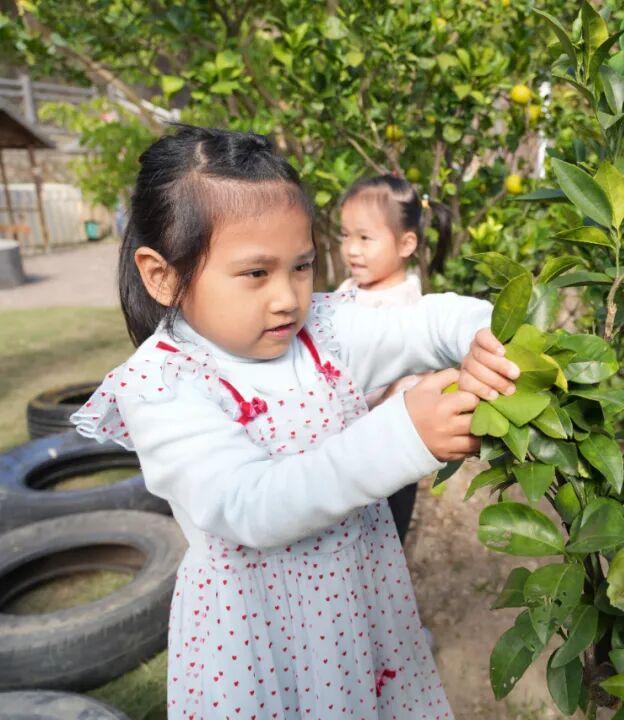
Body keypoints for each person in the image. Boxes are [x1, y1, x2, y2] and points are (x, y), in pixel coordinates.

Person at [70, 125, 519, 719]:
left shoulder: (323, 332)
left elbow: (422, 324)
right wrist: (403, 435)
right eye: (256, 273)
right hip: (256, 645)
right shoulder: (163, 387)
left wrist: (480, 335)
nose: (287, 297)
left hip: (356, 612)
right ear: (163, 275)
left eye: (302, 267)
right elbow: (251, 504)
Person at [334, 174, 452, 543]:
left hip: (387, 460)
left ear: (406, 244)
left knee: (380, 551)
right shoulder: (349, 292)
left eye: (365, 238)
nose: (351, 249)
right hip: (346, 454)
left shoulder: (404, 311)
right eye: (345, 235)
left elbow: (379, 390)